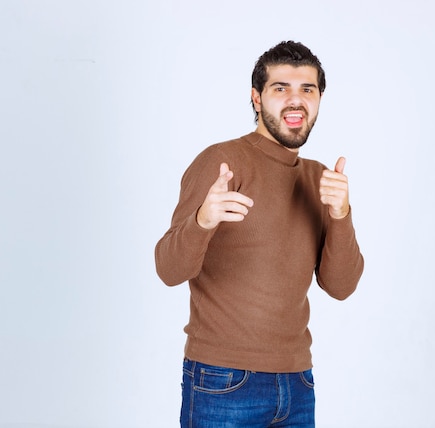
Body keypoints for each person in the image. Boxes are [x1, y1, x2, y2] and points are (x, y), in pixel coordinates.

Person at [155, 40, 364, 428]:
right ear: (256, 98)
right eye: (280, 88)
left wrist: (341, 214)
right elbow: (168, 269)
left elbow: (341, 286)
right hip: (223, 379)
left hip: (298, 383)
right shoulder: (222, 163)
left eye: (307, 89)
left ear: (319, 99)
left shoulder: (320, 177)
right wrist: (202, 220)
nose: (295, 100)